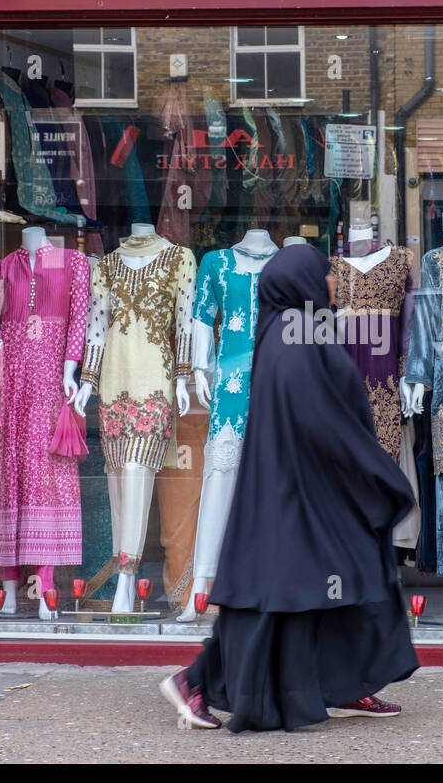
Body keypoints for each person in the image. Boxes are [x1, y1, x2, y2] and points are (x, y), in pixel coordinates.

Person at [160, 243, 419, 732]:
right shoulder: (297, 338)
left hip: (302, 492)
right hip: (303, 494)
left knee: (320, 586)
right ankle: (194, 682)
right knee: (283, 598)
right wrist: (375, 472)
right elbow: (321, 420)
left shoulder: (291, 332)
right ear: (302, 282)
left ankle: (344, 683)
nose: (335, 284)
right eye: (326, 277)